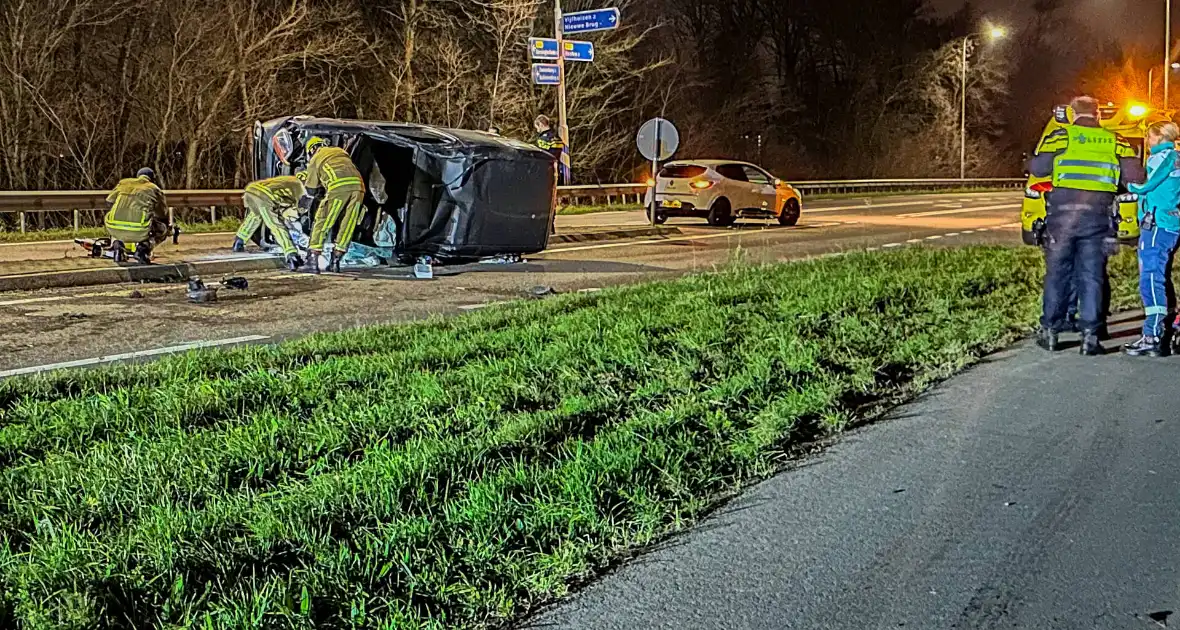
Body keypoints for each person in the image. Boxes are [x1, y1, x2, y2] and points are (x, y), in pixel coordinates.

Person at [1027, 95, 1144, 355]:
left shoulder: (1060, 136)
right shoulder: (1116, 141)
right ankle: (1090, 337)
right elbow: (1136, 176)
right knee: (1092, 275)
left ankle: (1050, 333)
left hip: (1062, 215)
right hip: (1097, 215)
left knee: (1057, 273)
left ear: (1072, 113)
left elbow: (1038, 168)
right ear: (1098, 114)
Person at [1124, 121, 1180, 356]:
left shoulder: (1161, 158)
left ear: (1159, 137)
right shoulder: (1178, 157)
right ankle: (1169, 328)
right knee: (1162, 274)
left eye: (1149, 137)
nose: (1148, 142)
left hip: (1157, 222)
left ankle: (1152, 335)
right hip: (1171, 221)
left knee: (1151, 277)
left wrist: (1126, 184)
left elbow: (1146, 186)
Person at [302, 136, 365, 274]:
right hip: (358, 187)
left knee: (324, 220)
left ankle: (312, 260)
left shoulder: (315, 158)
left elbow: (310, 190)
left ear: (312, 150)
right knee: (348, 223)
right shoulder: (339, 151)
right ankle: (336, 260)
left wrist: (302, 205)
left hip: (338, 186)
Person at [231, 172, 308, 271]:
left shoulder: (288, 180)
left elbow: (281, 199)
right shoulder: (299, 185)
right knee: (276, 225)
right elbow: (302, 207)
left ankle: (239, 242)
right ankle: (292, 256)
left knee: (255, 216)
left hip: (250, 191)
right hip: (264, 196)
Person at [104, 167, 169, 265]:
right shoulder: (153, 188)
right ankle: (143, 250)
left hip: (113, 228)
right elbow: (162, 213)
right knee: (163, 228)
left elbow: (109, 201)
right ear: (152, 178)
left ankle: (118, 248)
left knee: (115, 218)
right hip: (140, 230)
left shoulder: (124, 183)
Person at [533, 114, 567, 185]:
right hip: (557, 170)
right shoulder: (557, 138)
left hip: (545, 172)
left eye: (537, 127)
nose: (537, 130)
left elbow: (539, 156)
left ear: (541, 125)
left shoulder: (542, 140)